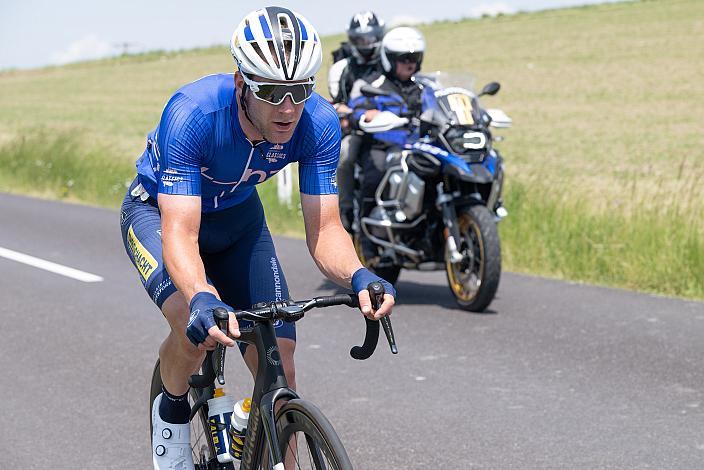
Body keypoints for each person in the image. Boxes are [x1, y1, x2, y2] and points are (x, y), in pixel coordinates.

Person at [119, 7, 396, 469]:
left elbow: (326, 229)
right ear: (242, 83)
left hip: (239, 220)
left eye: (300, 90)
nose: (288, 107)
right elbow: (181, 234)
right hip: (157, 215)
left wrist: (359, 274)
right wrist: (203, 296)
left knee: (280, 362)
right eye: (271, 91)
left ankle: (267, 438)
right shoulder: (193, 115)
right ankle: (170, 426)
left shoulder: (318, 124)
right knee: (194, 329)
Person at [347, 26, 427, 260]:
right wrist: (365, 115)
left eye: (415, 58)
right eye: (404, 58)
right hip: (383, 145)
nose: (410, 63)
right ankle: (367, 240)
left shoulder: (424, 87)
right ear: (390, 58)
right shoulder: (372, 84)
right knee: (377, 171)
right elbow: (357, 107)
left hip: (418, 146)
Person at [327, 11, 385, 230]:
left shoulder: (389, 61)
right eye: (359, 39)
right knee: (344, 156)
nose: (365, 44)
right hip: (357, 128)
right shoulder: (344, 68)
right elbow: (335, 102)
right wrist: (348, 114)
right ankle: (346, 208)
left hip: (392, 127)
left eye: (369, 38)